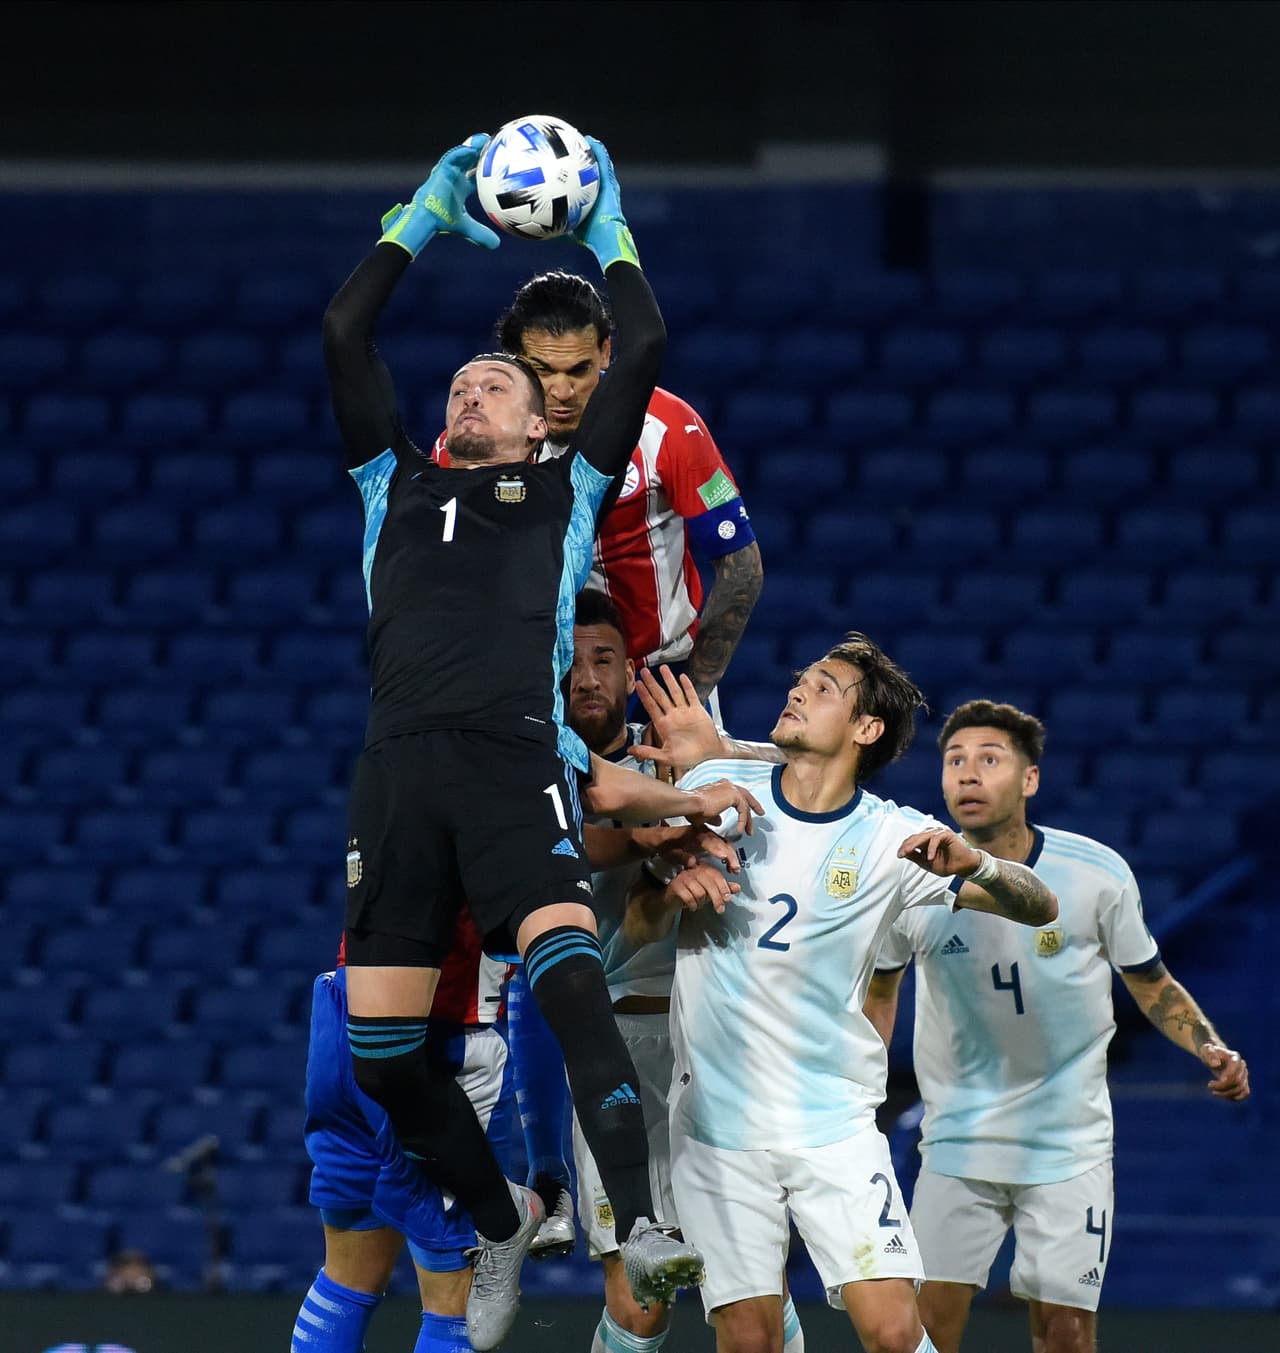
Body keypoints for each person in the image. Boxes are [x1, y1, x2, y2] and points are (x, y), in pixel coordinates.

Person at [321, 132, 758, 1348]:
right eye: (461, 385)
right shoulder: (390, 486)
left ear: (536, 431)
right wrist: (423, 213)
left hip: (515, 764)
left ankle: (642, 1222)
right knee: (384, 1060)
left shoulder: (565, 495)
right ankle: (498, 1218)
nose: (472, 392)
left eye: (496, 388)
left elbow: (645, 345)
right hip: (397, 777)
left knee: (571, 987)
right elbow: (346, 332)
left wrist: (606, 220)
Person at [624, 635, 1060, 1353]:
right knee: (750, 1341)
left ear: (866, 729)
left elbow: (1040, 906)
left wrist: (976, 863)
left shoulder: (894, 837)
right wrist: (671, 893)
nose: (797, 690)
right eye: (802, 679)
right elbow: (634, 930)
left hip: (832, 1126)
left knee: (893, 1332)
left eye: (823, 687)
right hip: (713, 1131)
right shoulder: (716, 792)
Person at [862, 700, 1250, 1353]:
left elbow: (1150, 980)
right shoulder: (912, 879)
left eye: (989, 759)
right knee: (923, 1330)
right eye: (955, 760)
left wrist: (1208, 1044)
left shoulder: (1095, 872)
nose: (968, 774)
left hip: (1069, 1146)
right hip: (957, 1141)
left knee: (1065, 1335)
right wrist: (857, 1088)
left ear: (1030, 779)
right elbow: (881, 989)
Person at [557, 589, 808, 1353]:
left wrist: (718, 755)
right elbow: (600, 886)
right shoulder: (541, 773)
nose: (587, 677)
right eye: (571, 661)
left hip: (719, 1041)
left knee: (754, 1289)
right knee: (644, 1301)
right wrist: (663, 847)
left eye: (604, 659)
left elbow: (801, 771)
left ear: (632, 669)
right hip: (619, 1048)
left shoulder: (679, 750)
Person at [433, 270, 765, 705]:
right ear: (514, 358)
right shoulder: (473, 445)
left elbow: (742, 568)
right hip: (540, 681)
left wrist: (689, 697)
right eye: (542, 370)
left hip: (662, 677)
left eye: (579, 370)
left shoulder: (667, 425)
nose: (562, 391)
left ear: (606, 352)